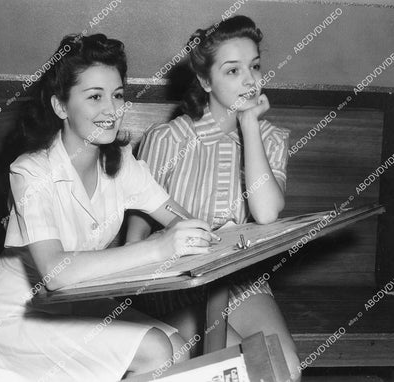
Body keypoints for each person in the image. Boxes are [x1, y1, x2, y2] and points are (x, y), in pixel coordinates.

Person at [0, 33, 215, 381]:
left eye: (117, 96)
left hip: (75, 305)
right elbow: (55, 272)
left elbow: (181, 219)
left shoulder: (123, 164)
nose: (112, 111)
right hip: (17, 316)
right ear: (60, 106)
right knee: (158, 351)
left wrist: (214, 233)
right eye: (95, 97)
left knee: (177, 347)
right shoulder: (30, 172)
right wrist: (160, 245)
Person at [127, 16, 301, 381]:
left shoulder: (271, 139)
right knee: (235, 370)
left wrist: (250, 124)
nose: (250, 80)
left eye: (254, 66)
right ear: (206, 81)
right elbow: (135, 237)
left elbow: (267, 212)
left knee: (285, 368)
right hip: (175, 284)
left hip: (239, 281)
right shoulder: (167, 139)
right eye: (233, 70)